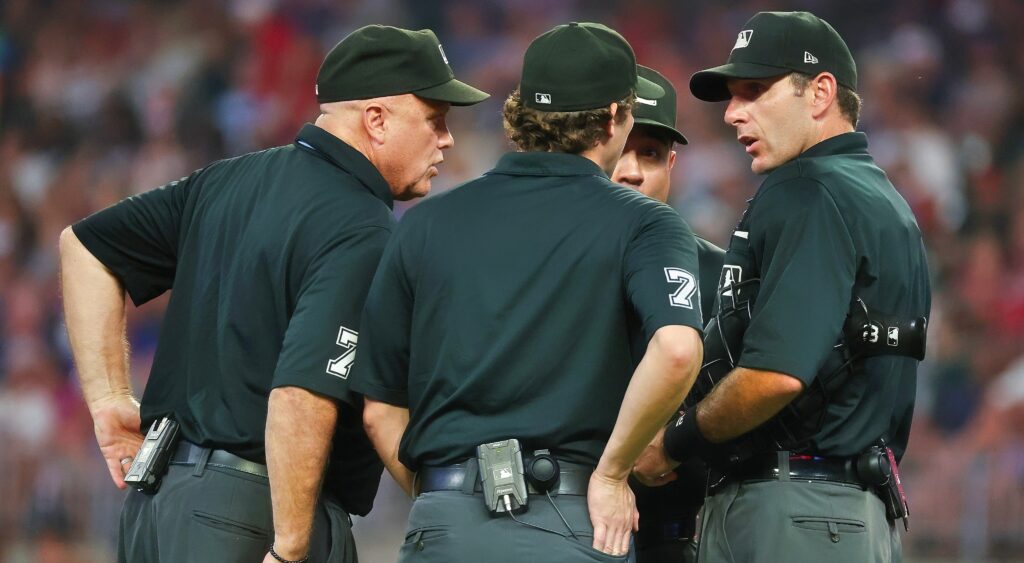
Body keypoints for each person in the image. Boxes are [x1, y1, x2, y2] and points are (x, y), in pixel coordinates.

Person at [59, 25, 487, 563]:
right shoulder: (362, 226)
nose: (447, 138)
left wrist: (107, 400)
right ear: (376, 120)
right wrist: (289, 549)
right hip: (253, 514)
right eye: (435, 119)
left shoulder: (226, 181)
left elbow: (85, 249)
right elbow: (299, 395)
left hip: (156, 509)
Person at [350, 22, 704, 562]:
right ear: (613, 117)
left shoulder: (426, 223)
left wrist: (446, 498)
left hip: (442, 525)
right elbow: (677, 349)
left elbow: (380, 408)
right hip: (569, 519)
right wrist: (611, 474)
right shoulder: (645, 224)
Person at [633, 11, 930, 563]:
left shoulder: (808, 190)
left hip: (794, 509)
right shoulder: (875, 195)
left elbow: (774, 375)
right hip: (840, 510)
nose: (732, 113)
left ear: (819, 93)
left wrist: (672, 444)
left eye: (753, 91)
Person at [611, 65, 724, 563]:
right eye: (618, 150)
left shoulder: (719, 273)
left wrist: (676, 437)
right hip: (556, 530)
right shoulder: (543, 267)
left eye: (650, 154)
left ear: (673, 166)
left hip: (677, 539)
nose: (631, 170)